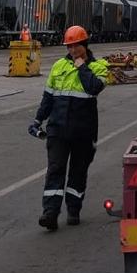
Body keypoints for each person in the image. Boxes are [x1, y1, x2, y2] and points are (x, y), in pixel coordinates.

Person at [29, 25, 111, 230]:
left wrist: (82, 67)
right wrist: (38, 120)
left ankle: (73, 210)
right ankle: (50, 213)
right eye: (69, 46)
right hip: (58, 129)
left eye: (76, 46)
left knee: (78, 172)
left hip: (84, 131)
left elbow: (94, 88)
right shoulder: (58, 66)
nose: (73, 50)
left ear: (85, 45)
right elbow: (48, 98)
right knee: (55, 169)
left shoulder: (100, 67)